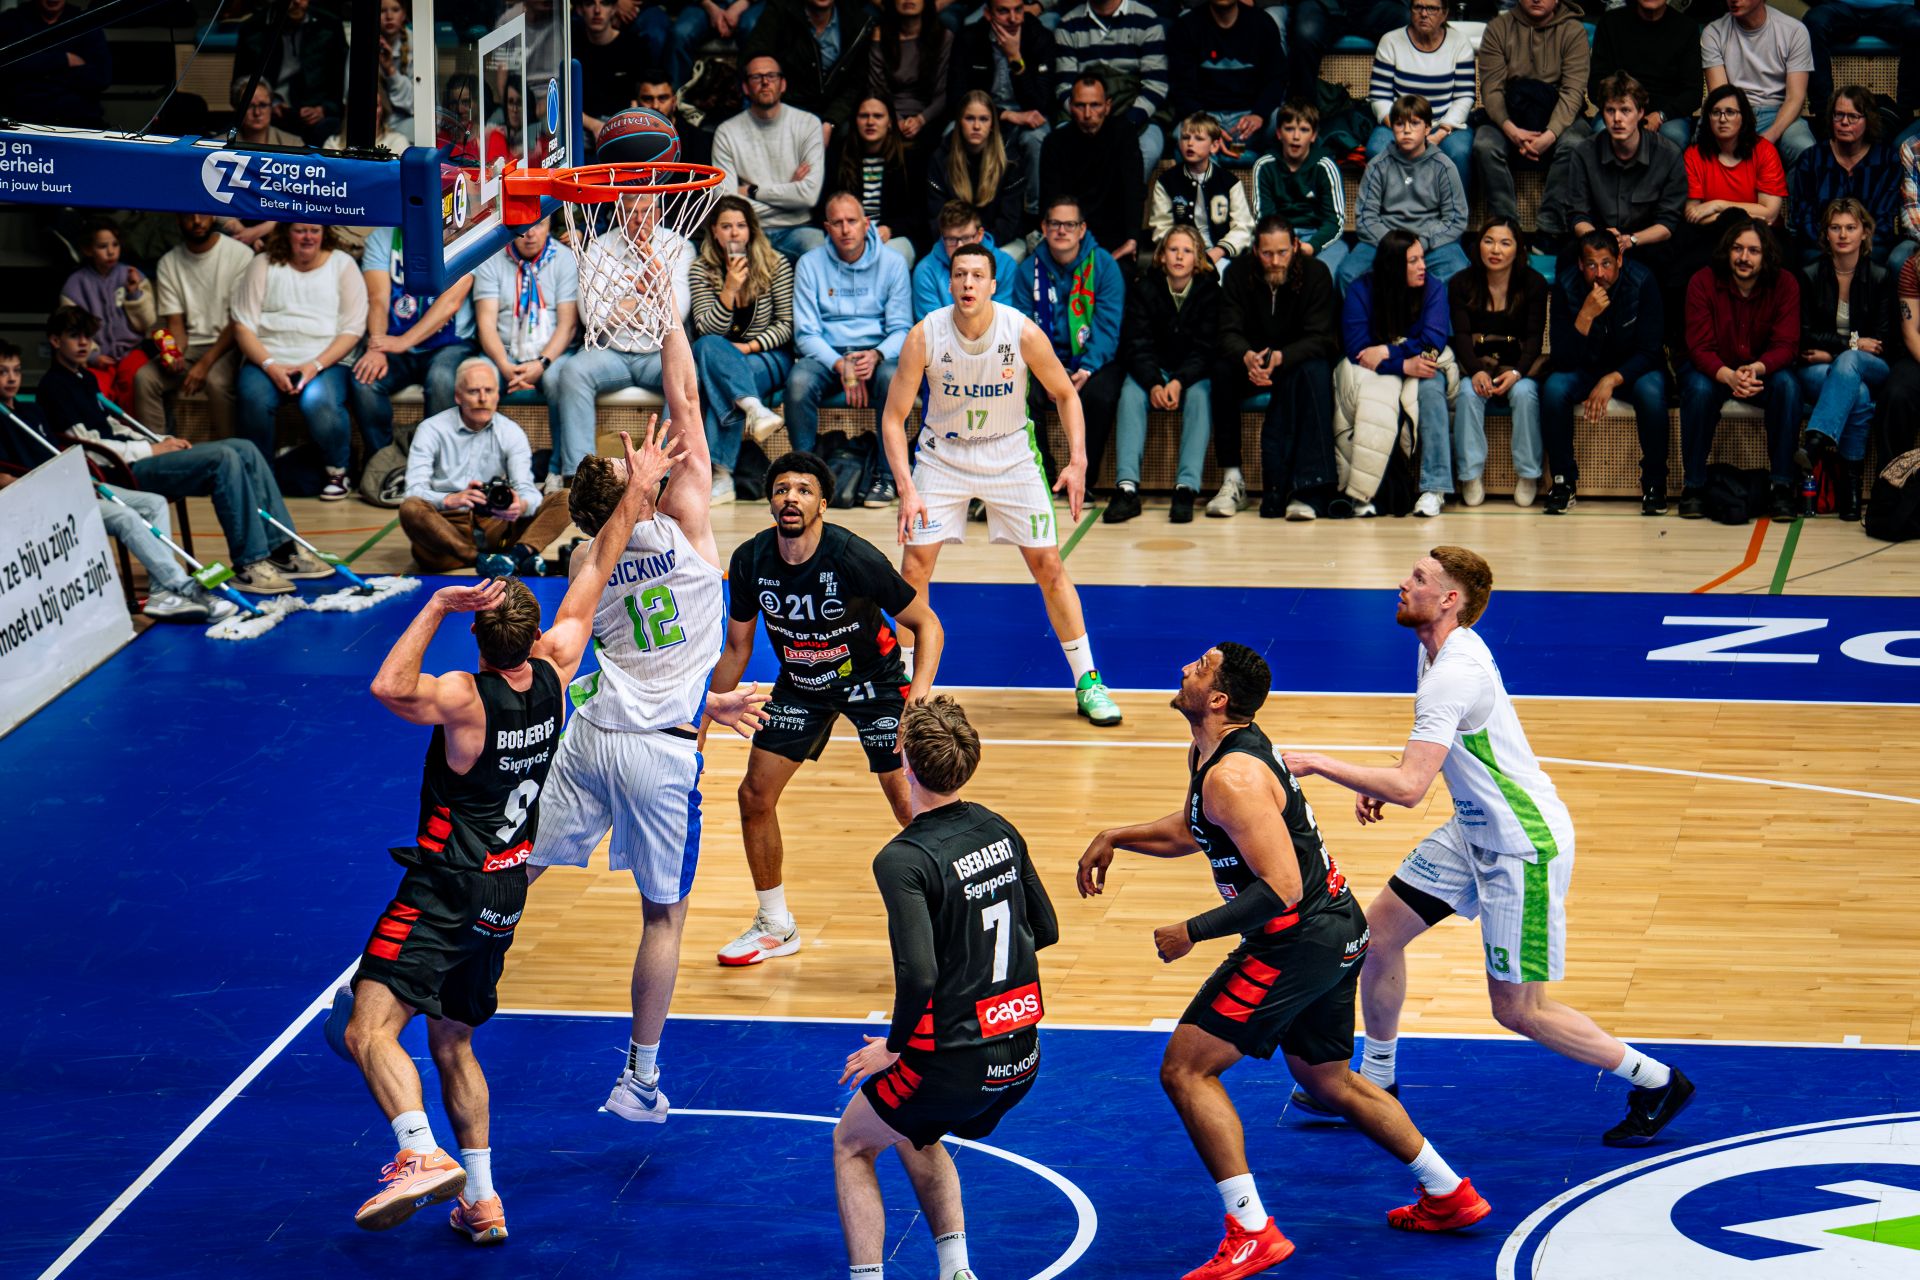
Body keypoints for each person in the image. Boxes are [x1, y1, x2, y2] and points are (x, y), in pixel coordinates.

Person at [341, 425, 669, 1241]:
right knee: (453, 1041)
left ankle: (419, 1152)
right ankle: (482, 1199)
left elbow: (388, 685)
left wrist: (437, 603)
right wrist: (635, 495)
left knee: (366, 1027)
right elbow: (593, 572)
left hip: (445, 884)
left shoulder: (463, 699)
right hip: (504, 892)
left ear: (480, 641)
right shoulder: (558, 670)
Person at [1079, 642, 1492, 1280]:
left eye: (1201, 667)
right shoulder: (1214, 756)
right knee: (1328, 1078)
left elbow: (1280, 890)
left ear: (1218, 699)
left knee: (1187, 1070)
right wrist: (1116, 836)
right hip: (1332, 931)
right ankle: (1449, 1194)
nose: (1186, 667)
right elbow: (1198, 828)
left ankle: (1251, 1231)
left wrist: (1193, 930)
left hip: (1298, 937)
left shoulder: (1233, 775)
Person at [1281, 549, 1696, 1150]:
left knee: (1519, 1010)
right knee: (1377, 937)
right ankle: (1378, 1080)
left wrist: (1322, 763)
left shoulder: (1454, 670)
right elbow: (1423, 765)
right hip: (1471, 830)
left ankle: (1658, 1082)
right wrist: (1386, 780)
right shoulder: (1433, 650)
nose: (1403, 582)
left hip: (1519, 845)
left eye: (1419, 579)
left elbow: (1409, 788)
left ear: (1451, 600)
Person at [528, 323, 770, 1127]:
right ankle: (638, 1078)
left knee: (513, 865)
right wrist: (669, 311)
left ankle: (396, 956)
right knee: (663, 916)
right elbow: (688, 403)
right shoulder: (688, 520)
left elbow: (605, 636)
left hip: (593, 735)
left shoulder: (582, 563)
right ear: (649, 485)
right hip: (661, 755)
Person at [834, 694, 1057, 1280]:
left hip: (952, 1060)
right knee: (915, 1127)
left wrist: (893, 1047)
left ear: (905, 761)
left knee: (853, 1143)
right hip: (1023, 1055)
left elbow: (919, 973)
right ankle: (956, 1270)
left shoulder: (903, 858)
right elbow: (1047, 928)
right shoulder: (999, 829)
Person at [707, 450, 946, 964]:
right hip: (801, 684)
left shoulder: (853, 556)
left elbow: (928, 626)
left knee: (908, 803)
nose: (791, 496)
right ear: (770, 501)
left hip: (874, 681)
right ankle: (775, 924)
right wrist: (699, 722)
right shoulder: (750, 560)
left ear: (822, 504)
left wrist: (918, 698)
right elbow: (736, 650)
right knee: (754, 795)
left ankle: (948, 921)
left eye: (804, 489)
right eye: (782, 488)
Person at [884, 242, 1124, 726]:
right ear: (949, 283)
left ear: (993, 285)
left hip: (1010, 452)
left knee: (1049, 565)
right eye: (960, 275)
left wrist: (1078, 461)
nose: (968, 283)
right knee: (914, 567)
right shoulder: (924, 336)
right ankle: (907, 684)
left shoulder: (1020, 332)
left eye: (978, 275)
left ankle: (1088, 681)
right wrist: (908, 489)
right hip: (944, 454)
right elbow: (893, 418)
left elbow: (1064, 394)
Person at [38, 305, 329, 596]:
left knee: (245, 448)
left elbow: (111, 427)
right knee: (223, 458)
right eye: (74, 336)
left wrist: (162, 440)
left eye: (87, 336)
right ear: (54, 341)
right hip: (117, 473)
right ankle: (249, 565)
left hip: (136, 456)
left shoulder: (84, 378)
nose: (83, 343)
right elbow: (88, 448)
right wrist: (152, 449)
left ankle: (281, 550)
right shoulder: (53, 386)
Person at [0, 342, 236, 624]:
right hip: (43, 502)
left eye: (16, 370)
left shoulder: (32, 412)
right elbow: (5, 480)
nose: (12, 378)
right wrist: (54, 486)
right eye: (3, 372)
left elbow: (57, 457)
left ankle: (161, 593)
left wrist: (75, 476)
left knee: (154, 502)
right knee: (125, 516)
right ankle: (184, 587)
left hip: (72, 488)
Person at [552, 193, 696, 485]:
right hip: (611, 351)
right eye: (631, 212)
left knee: (686, 375)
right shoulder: (600, 246)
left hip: (658, 353)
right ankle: (580, 475)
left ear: (657, 213)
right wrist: (647, 304)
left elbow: (676, 312)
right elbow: (590, 315)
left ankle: (668, 475)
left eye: (645, 211)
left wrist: (619, 305)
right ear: (619, 214)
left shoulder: (679, 246)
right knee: (571, 372)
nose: (638, 219)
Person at [787, 193, 915, 504]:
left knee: (893, 378)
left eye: (852, 221)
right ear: (827, 227)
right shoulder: (810, 264)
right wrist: (840, 364)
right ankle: (805, 477)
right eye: (838, 222)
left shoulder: (892, 263)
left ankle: (888, 477)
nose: (846, 229)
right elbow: (805, 334)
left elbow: (901, 328)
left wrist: (877, 354)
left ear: (866, 224)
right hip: (827, 353)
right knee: (798, 383)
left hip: (878, 350)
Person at [228, 223, 368, 502]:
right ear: (285, 233)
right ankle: (260, 475)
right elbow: (243, 325)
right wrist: (270, 365)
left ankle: (337, 471)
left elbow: (353, 329)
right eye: (300, 230)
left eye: (314, 231)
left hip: (326, 360)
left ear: (324, 234)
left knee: (318, 400)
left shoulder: (342, 265)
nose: (307, 237)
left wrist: (313, 366)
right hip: (268, 358)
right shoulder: (262, 263)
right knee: (252, 396)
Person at [1213, 216, 1340, 523]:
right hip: (1250, 363)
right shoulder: (1236, 273)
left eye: (1282, 252)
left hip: (1293, 362)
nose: (1275, 261)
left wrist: (1283, 357)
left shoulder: (1316, 273)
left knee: (1316, 370)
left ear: (1295, 246)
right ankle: (1233, 479)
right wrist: (1246, 356)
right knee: (1219, 370)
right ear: (1255, 250)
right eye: (1268, 253)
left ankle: (1305, 488)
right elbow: (1226, 330)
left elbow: (1323, 337)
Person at [398, 359, 576, 574]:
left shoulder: (511, 431)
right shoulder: (431, 430)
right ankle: (487, 560)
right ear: (458, 396)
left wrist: (520, 505)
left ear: (497, 395)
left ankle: (515, 556)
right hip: (447, 528)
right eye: (474, 391)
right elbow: (413, 491)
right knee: (410, 508)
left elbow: (527, 488)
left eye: (489, 390)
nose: (483, 398)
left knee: (566, 498)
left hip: (497, 523)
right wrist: (449, 499)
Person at [1680, 216, 1804, 520]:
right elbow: (1699, 347)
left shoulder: (1785, 283)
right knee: (1696, 388)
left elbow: (1787, 345)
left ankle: (1782, 487)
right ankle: (1694, 486)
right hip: (1715, 371)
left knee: (1788, 387)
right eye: (1737, 249)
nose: (1744, 257)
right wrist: (1729, 375)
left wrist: (1755, 370)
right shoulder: (1703, 282)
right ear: (1727, 250)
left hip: (1762, 372)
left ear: (1766, 255)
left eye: (1753, 250)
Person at [1541, 231, 1671, 515]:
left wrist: (1611, 379)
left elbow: (1650, 352)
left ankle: (1654, 483)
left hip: (1633, 369)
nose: (1599, 273)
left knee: (1651, 392)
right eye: (1591, 265)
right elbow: (1562, 358)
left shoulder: (1643, 281)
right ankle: (1563, 481)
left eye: (1606, 263)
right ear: (1579, 264)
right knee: (1553, 388)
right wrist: (1585, 317)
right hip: (1583, 368)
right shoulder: (1566, 285)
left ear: (1620, 259)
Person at [351, 227, 480, 497]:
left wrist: (403, 341)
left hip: (450, 344)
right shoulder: (382, 238)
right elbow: (377, 298)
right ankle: (385, 465)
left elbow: (450, 303)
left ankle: (439, 469)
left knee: (443, 379)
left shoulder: (466, 233)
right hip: (394, 342)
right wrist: (376, 344)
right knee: (364, 380)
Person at [1335, 229, 1455, 519]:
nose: (1422, 266)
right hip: (1379, 370)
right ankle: (1365, 491)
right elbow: (1357, 350)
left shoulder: (1434, 288)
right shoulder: (1362, 289)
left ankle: (1434, 488)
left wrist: (1389, 353)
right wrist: (1401, 365)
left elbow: (1433, 341)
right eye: (1413, 261)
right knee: (1372, 397)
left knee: (1432, 387)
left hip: (1419, 363)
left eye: (1422, 259)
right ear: (1393, 266)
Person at [1106, 227, 1219, 525]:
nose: (1179, 256)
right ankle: (1127, 488)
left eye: (1187, 251)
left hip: (1192, 373)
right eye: (1173, 250)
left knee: (1201, 396)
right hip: (1153, 369)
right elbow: (1136, 343)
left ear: (1198, 258)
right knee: (1130, 393)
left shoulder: (1210, 291)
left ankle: (1186, 487)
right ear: (1161, 255)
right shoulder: (1145, 288)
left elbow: (1208, 347)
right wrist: (1155, 382)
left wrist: (1180, 381)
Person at [1015, 194, 1129, 483]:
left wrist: (1085, 369)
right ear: (1043, 227)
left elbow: (1107, 328)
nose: (1061, 231)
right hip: (1043, 361)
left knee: (1100, 396)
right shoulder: (1028, 270)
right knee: (1019, 390)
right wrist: (1047, 373)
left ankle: (1084, 479)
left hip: (1093, 360)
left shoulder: (1104, 266)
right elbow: (1022, 330)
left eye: (1069, 224)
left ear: (1082, 229)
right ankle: (1042, 474)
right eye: (1054, 223)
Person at [690, 195, 795, 503]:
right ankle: (753, 409)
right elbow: (706, 329)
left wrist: (749, 347)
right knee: (709, 348)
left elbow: (787, 325)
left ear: (751, 230)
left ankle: (718, 474)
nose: (734, 233)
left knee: (717, 377)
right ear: (714, 231)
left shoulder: (776, 264)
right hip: (721, 358)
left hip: (767, 356)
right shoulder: (701, 270)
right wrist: (729, 290)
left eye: (741, 226)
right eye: (726, 226)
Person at [1795, 197, 1892, 522]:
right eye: (1835, 227)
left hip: (1871, 366)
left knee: (1850, 364)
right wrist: (1850, 344)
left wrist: (1838, 350)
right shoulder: (1809, 275)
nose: (1843, 234)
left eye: (1851, 227)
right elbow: (1805, 336)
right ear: (1825, 234)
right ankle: (1850, 493)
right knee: (1858, 394)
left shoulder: (1880, 276)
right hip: (1817, 368)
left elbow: (1880, 342)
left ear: (1865, 232)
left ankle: (1817, 440)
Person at [1545, 72, 1687, 284]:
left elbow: (1667, 223)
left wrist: (1630, 240)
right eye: (1610, 111)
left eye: (1625, 110)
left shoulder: (1668, 154)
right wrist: (1603, 241)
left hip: (1644, 240)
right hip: (1597, 235)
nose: (1617, 119)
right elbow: (1578, 215)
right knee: (1567, 259)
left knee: (1673, 264)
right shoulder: (1584, 152)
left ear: (1640, 113)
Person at [470, 217, 580, 485]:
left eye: (539, 226)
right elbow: (486, 325)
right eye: (523, 228)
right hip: (503, 353)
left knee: (559, 380)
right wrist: (505, 366)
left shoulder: (564, 259)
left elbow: (567, 325)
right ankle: (479, 469)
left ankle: (558, 469)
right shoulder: (492, 259)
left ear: (549, 225)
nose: (530, 234)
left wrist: (541, 364)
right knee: (479, 379)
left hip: (550, 354)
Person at [1450, 218, 1548, 510]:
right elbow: (1462, 336)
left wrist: (1518, 372)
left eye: (1505, 243)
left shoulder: (1534, 284)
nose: (1495, 249)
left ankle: (1529, 474)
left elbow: (1534, 338)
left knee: (1525, 394)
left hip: (1518, 363)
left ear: (1518, 250)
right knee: (1468, 393)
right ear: (1478, 244)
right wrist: (1476, 371)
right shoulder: (1460, 283)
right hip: (1477, 363)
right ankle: (1470, 475)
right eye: (1488, 240)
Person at [1472, 0, 1593, 232]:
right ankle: (1507, 228)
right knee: (1484, 145)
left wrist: (1550, 135)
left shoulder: (1574, 31)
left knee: (1577, 143)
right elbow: (1492, 90)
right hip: (1510, 113)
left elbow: (1573, 92)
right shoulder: (1499, 27)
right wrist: (1511, 130)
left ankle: (1549, 228)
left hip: (1558, 113)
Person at [134, 215, 251, 439]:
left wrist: (204, 365)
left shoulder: (240, 255)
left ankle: (230, 453)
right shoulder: (169, 262)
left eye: (203, 214)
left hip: (230, 344)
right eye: (189, 216)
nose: (197, 221)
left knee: (216, 382)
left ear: (213, 216)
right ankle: (159, 453)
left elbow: (239, 320)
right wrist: (174, 354)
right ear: (178, 220)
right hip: (193, 346)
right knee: (145, 378)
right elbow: (175, 325)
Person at [1341, 94, 1470, 295]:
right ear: (1392, 128)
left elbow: (1456, 219)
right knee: (1348, 274)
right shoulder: (1378, 166)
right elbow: (1366, 218)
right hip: (1384, 241)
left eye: (1415, 123)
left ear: (1428, 128)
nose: (1407, 130)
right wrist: (1395, 247)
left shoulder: (1444, 166)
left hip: (1429, 243)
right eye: (1400, 124)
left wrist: (1422, 243)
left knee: (1458, 271)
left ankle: (1434, 326)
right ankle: (1368, 326)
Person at [714, 56, 831, 259]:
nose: (765, 82)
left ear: (783, 84)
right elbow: (726, 201)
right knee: (726, 249)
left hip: (797, 228)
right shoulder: (727, 132)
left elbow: (808, 196)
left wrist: (752, 191)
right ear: (745, 87)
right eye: (757, 77)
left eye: (771, 76)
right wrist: (789, 192)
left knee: (817, 246)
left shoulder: (808, 124)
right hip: (747, 230)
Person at [955, 0, 1057, 210]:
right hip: (982, 113)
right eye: (1003, 11)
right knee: (950, 134)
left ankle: (1033, 216)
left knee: (1038, 138)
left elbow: (1040, 102)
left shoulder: (1040, 37)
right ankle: (961, 213)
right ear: (987, 14)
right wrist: (1004, 115)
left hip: (1027, 114)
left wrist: (1015, 59)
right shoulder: (969, 38)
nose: (1013, 18)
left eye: (1018, 10)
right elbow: (957, 98)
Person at [1054, 0, 1169, 181]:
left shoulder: (1146, 20)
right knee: (1062, 146)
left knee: (1147, 150)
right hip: (1083, 112)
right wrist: (1088, 119)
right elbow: (1064, 88)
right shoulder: (1068, 25)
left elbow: (1156, 86)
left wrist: (1124, 126)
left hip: (1134, 112)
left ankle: (1125, 207)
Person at [1789, 87, 1903, 269]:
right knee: (1809, 262)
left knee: (1876, 263)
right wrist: (1833, 245)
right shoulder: (1811, 159)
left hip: (1870, 246)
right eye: (1838, 115)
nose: (1844, 122)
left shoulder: (1886, 160)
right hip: (1820, 246)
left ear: (1869, 120)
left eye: (1853, 116)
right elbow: (1804, 215)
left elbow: (1885, 219)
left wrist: (1855, 246)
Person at [1367, 0, 1476, 190]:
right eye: (1418, 7)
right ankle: (1391, 217)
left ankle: (1456, 218)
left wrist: (1439, 134)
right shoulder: (1391, 41)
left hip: (1444, 123)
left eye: (1432, 8)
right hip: (1400, 121)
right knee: (1377, 149)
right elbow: (1379, 96)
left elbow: (1464, 97)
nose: (1424, 14)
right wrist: (1403, 129)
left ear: (1445, 13)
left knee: (1460, 151)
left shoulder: (1459, 43)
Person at [1038, 74, 1145, 265]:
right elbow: (1050, 200)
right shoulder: (1055, 143)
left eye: (1095, 105)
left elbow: (1133, 189)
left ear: (1107, 106)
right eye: (1080, 105)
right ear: (1070, 106)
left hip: (1115, 237)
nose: (1088, 114)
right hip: (1070, 235)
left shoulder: (1124, 135)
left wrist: (1132, 238)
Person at [1683, 84, 1788, 272]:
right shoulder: (1694, 154)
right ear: (1708, 118)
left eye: (1730, 112)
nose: (1722, 119)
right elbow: (1693, 214)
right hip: (1712, 234)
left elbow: (1770, 214)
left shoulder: (1764, 151)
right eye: (1716, 113)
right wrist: (1747, 215)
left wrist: (1718, 205)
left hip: (1763, 234)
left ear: (1743, 118)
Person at [1702, 0, 1816, 172]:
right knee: (1702, 144)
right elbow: (1721, 98)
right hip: (1734, 112)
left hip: (1778, 112)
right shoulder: (1714, 32)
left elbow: (1795, 98)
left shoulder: (1794, 31)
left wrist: (1768, 138)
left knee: (1803, 148)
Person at [741, 0, 877, 144]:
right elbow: (754, 61)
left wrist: (831, 122)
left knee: (847, 132)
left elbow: (855, 83)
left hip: (834, 109)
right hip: (789, 106)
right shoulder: (781, 12)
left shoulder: (855, 19)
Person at [1168, 0, 1286, 154]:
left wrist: (1259, 114)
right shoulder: (1187, 26)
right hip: (1206, 116)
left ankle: (1250, 160)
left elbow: (1276, 78)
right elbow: (1181, 86)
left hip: (1250, 118)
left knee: (1283, 121)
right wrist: (1204, 122)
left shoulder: (1262, 23)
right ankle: (1227, 158)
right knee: (1182, 133)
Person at [60, 217, 154, 411]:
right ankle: (107, 436)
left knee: (137, 384)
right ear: (88, 250)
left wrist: (134, 293)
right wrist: (93, 356)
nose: (111, 251)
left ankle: (136, 435)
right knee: (97, 391)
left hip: (131, 352)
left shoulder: (132, 275)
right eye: (102, 246)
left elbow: (147, 323)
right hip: (96, 355)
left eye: (115, 245)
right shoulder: (76, 284)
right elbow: (71, 328)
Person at [1588, 0, 1704, 153]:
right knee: (1602, 131)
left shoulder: (1686, 28)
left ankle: (1662, 177)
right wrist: (1625, 111)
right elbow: (1596, 84)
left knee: (1674, 136)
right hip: (1619, 106)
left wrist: (1662, 116)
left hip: (1667, 114)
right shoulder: (1610, 23)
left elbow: (1693, 92)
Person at [1250, 102, 1348, 282]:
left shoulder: (1325, 166)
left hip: (1316, 235)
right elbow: (1263, 217)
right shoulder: (1264, 165)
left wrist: (1312, 246)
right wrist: (1284, 246)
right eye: (1289, 129)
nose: (1296, 136)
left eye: (1304, 129)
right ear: (1279, 133)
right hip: (1277, 236)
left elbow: (1335, 221)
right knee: (1254, 268)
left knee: (1325, 275)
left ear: (1313, 135)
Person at [924, 90, 1027, 256]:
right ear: (959, 121)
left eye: (984, 119)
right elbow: (937, 217)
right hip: (952, 243)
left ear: (992, 123)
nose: (977, 126)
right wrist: (961, 245)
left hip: (999, 243)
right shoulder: (941, 159)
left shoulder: (1009, 160)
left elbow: (1010, 221)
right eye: (969, 118)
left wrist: (979, 246)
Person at [1147, 115, 1256, 269]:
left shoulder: (1229, 182)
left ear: (1214, 146)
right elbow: (1161, 227)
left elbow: (1243, 226)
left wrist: (1218, 252)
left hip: (1220, 256)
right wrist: (1183, 252)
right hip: (1180, 257)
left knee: (1222, 279)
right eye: (1185, 138)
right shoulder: (1167, 182)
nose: (1190, 143)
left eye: (1198, 138)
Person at [826, 96, 923, 266]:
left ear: (890, 122)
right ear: (855, 121)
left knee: (888, 259)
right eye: (864, 116)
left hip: (893, 236)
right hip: (847, 234)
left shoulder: (909, 158)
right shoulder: (839, 155)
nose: (870, 122)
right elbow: (827, 206)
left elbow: (918, 213)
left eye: (878, 116)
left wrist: (890, 229)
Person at [237, 0, 346, 143]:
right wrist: (269, 103)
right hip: (271, 111)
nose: (297, 2)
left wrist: (324, 109)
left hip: (316, 112)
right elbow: (239, 84)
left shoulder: (330, 25)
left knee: (331, 127)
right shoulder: (252, 28)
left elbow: (341, 80)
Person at [868, 0, 954, 171]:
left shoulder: (943, 37)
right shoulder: (880, 35)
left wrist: (921, 120)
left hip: (929, 116)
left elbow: (943, 93)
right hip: (889, 114)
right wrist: (895, 119)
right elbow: (877, 88)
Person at [0, 0, 110, 129]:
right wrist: (64, 59)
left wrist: (36, 70)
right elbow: (7, 67)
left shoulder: (85, 20)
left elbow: (101, 77)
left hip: (79, 122)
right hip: (23, 122)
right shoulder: (12, 20)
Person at [1803, 0, 1920, 121]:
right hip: (1841, 7)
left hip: (1895, 8)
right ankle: (1824, 113)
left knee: (1916, 25)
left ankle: (1906, 112)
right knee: (1813, 22)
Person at [1287, 0, 1406, 114]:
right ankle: (1302, 115)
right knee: (1306, 33)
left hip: (1373, 6)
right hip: (1324, 4)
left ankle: (1405, 114)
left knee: (1407, 23)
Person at [914, 201, 1019, 321]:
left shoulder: (1005, 265)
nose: (960, 247)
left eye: (966, 238)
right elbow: (931, 327)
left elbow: (1004, 320)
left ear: (980, 234)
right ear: (943, 238)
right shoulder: (926, 271)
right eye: (951, 239)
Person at [575, 0, 648, 144]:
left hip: (623, 124)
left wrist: (620, 125)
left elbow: (638, 100)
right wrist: (594, 125)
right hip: (582, 125)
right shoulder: (571, 46)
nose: (597, 10)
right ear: (579, 9)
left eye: (604, 3)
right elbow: (566, 102)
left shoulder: (634, 46)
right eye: (590, 4)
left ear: (614, 9)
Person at [635, 71, 712, 168]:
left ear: (674, 102)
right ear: (637, 103)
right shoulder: (627, 141)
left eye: (663, 98)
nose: (655, 106)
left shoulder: (695, 138)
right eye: (647, 99)